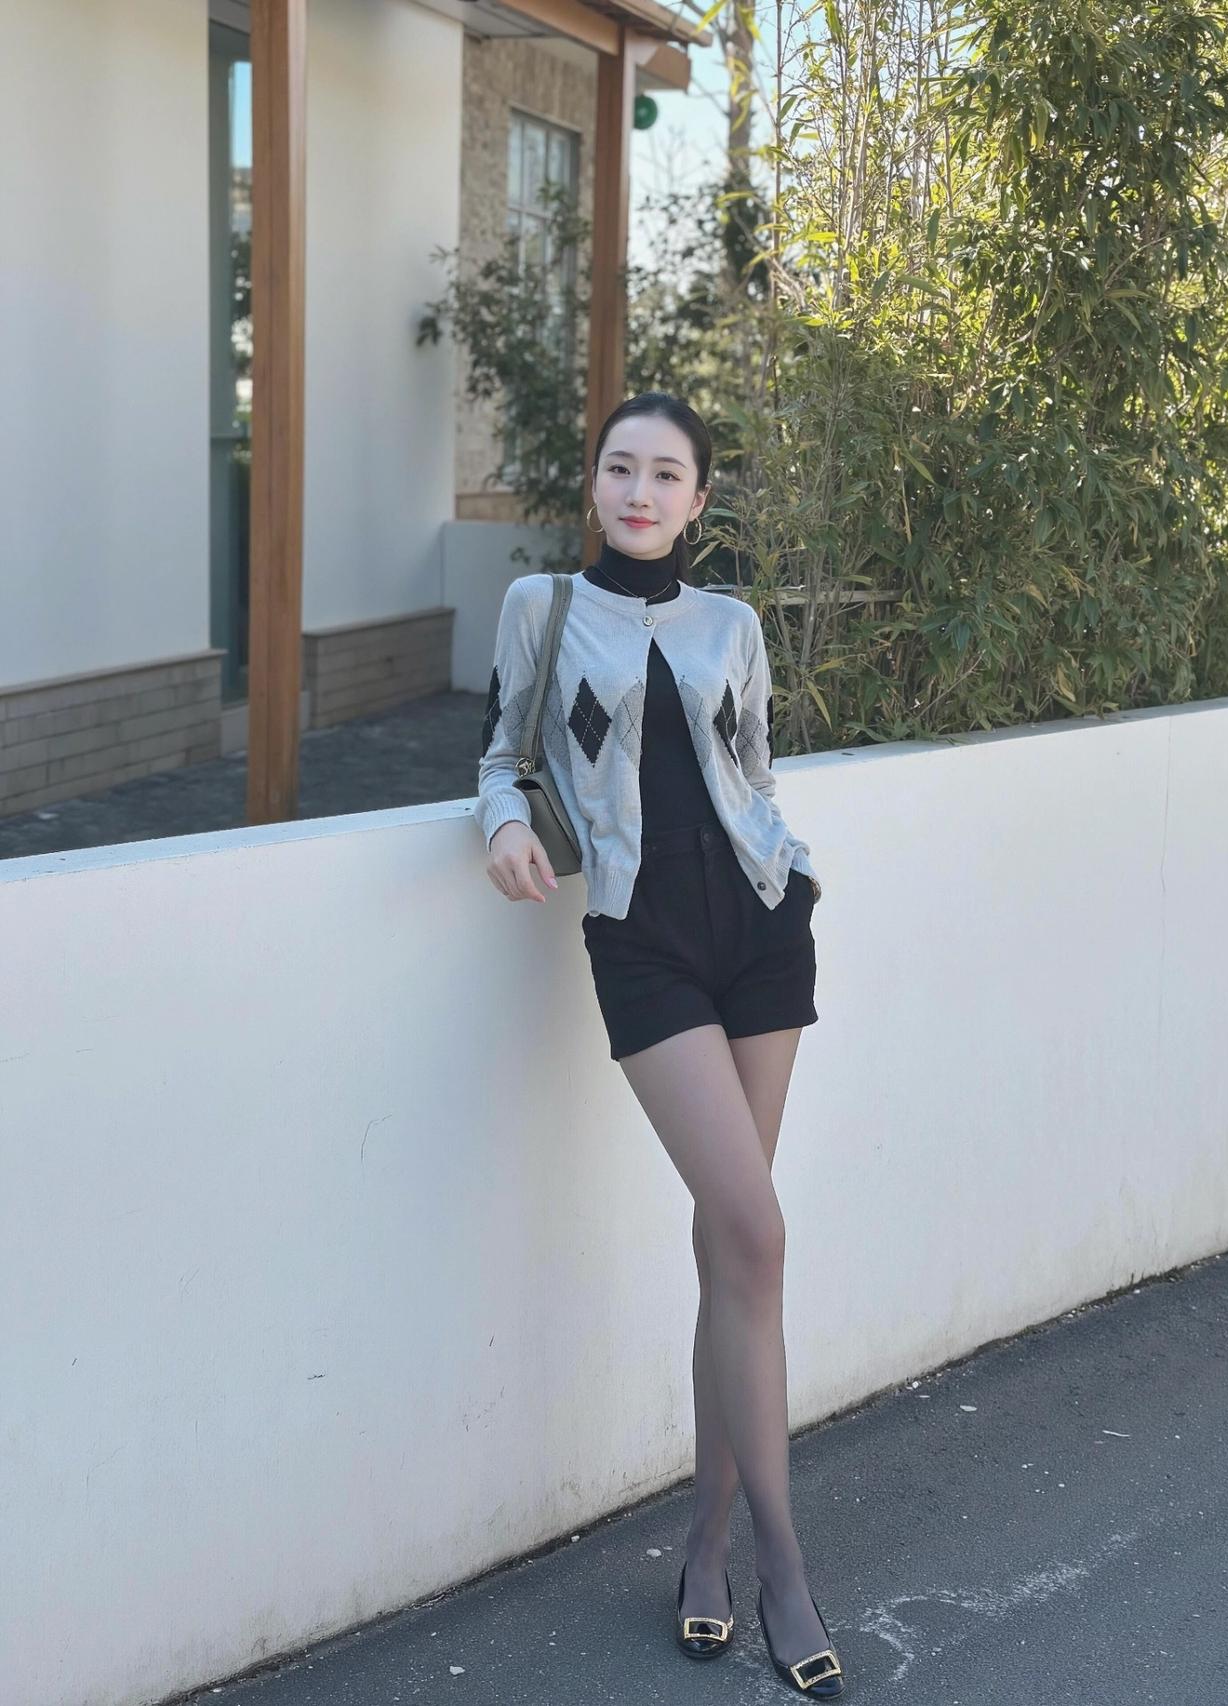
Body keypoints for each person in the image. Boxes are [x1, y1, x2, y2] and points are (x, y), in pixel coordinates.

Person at [475, 392, 843, 1697]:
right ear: (594, 484)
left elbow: (755, 775)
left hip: (761, 931)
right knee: (758, 1232)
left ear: (698, 499)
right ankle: (785, 1571)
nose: (641, 491)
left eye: (667, 473)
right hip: (643, 943)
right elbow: (503, 755)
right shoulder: (541, 609)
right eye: (621, 468)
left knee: (727, 1250)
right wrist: (504, 826)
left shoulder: (732, 624)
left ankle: (707, 1547)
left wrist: (794, 877)